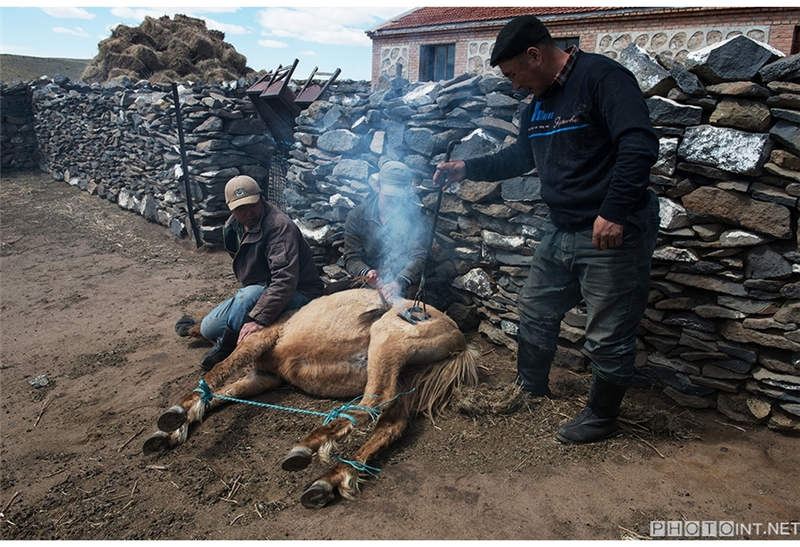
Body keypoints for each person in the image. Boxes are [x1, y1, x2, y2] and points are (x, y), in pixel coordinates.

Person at [434, 15, 660, 444]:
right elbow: (520, 157)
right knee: (535, 309)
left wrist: (613, 211)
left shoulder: (603, 78)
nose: (515, 85)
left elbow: (639, 144)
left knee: (608, 332)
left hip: (612, 229)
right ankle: (530, 386)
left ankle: (601, 416)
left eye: (514, 74)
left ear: (535, 55)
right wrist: (467, 168)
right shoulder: (537, 103)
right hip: (562, 229)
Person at [192, 175, 324, 370]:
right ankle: (231, 328)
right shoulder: (233, 227)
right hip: (261, 289)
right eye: (240, 209)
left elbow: (284, 280)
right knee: (209, 328)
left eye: (252, 205)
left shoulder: (279, 227)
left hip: (298, 291)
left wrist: (258, 318)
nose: (248, 213)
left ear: (260, 199)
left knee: (248, 296)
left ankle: (226, 349)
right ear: (231, 208)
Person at [343, 161, 429, 303]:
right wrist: (367, 273)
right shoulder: (357, 215)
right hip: (370, 280)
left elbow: (418, 257)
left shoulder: (415, 218)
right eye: (389, 196)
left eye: (398, 197)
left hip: (403, 281)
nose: (394, 202)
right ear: (377, 187)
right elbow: (351, 258)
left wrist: (399, 282)